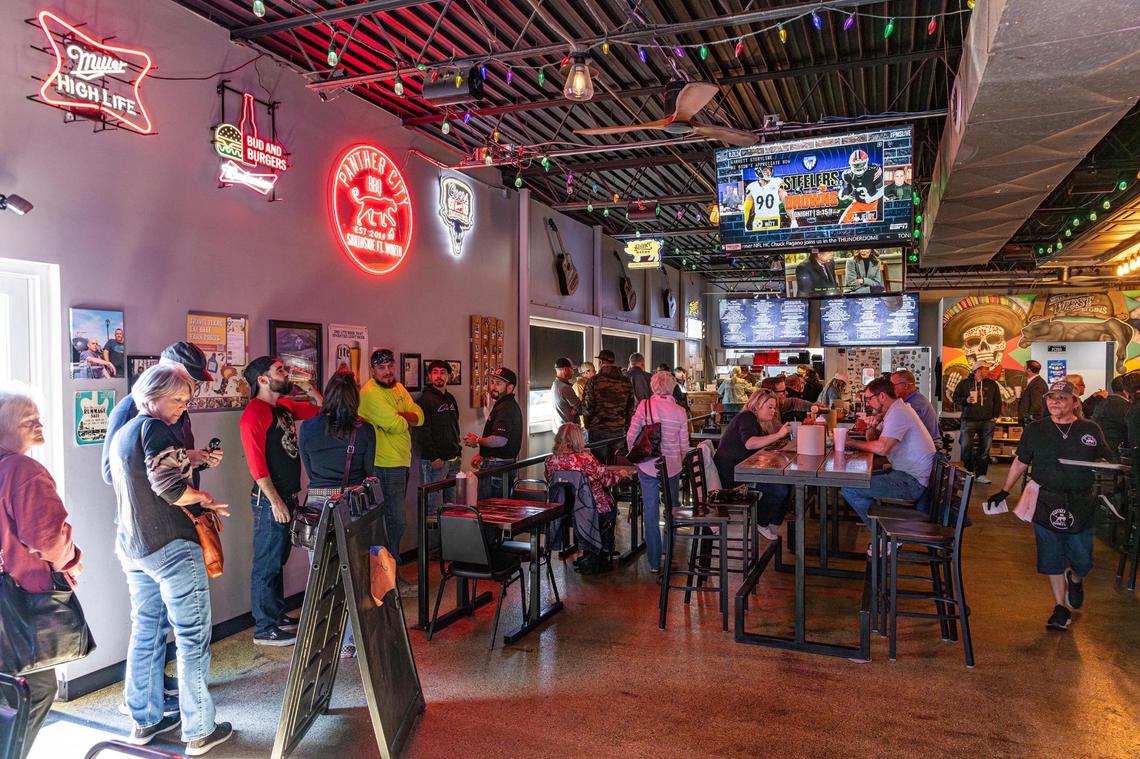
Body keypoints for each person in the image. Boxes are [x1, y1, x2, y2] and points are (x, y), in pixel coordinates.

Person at [109, 366, 233, 754]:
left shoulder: (126, 431)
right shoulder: (156, 428)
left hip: (134, 548)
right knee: (192, 636)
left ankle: (144, 720)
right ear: (152, 396)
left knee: (145, 632)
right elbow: (169, 487)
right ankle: (199, 731)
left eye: (186, 399)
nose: (183, 406)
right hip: (171, 548)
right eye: (177, 399)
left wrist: (193, 457)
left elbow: (153, 469)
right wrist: (203, 499)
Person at [985, 381, 1113, 631]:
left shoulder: (1090, 429)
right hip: (1046, 500)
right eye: (1051, 397)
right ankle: (1060, 608)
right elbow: (1021, 461)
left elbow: (1105, 456)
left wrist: (1109, 463)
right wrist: (1004, 490)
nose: (1055, 402)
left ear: (1075, 402)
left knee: (1082, 559)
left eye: (1062, 398)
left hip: (1081, 502)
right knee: (1051, 556)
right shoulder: (1036, 430)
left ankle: (1075, 579)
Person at [0, 385, 83, 759]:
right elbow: (48, 537)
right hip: (18, 603)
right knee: (32, 691)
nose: (39, 424)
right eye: (28, 419)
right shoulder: (22, 469)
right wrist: (71, 559)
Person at [239, 356, 322, 645]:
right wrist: (275, 501)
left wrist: (309, 386)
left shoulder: (282, 407)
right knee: (266, 564)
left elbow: (319, 409)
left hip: (288, 496)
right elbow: (256, 464)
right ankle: (264, 628)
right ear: (263, 380)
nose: (285, 374)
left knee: (278, 559)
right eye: (280, 371)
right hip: (268, 500)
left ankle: (276, 614)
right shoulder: (254, 413)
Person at [299, 370, 375, 658]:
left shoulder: (307, 428)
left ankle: (322, 639)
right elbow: (370, 474)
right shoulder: (364, 430)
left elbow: (309, 468)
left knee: (321, 576)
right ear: (355, 398)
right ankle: (351, 640)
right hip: (352, 505)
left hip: (317, 508)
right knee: (355, 575)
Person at [103, 342, 219, 488]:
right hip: (153, 508)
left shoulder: (178, 407)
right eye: (188, 378)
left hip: (185, 504)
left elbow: (179, 460)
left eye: (195, 381)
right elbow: (110, 473)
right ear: (164, 372)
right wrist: (182, 458)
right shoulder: (128, 409)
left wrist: (202, 459)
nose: (192, 385)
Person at [359, 347, 423, 597]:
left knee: (395, 522)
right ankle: (389, 580)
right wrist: (403, 418)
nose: (387, 371)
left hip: (400, 462)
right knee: (393, 521)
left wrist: (402, 416)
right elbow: (397, 424)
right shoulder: (370, 393)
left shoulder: (398, 388)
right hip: (383, 465)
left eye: (390, 366)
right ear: (372, 370)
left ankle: (389, 578)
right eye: (382, 367)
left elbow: (420, 416)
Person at [840, 378, 936, 530]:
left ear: (882, 396)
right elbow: (873, 439)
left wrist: (851, 443)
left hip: (912, 482)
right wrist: (872, 424)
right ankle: (886, 529)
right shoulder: (896, 410)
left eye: (869, 399)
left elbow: (882, 448)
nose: (868, 403)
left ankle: (884, 535)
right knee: (857, 478)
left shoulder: (899, 413)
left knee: (850, 489)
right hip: (908, 475)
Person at [626, 370, 689, 573]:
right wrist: (677, 460)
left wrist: (636, 456)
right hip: (671, 466)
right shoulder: (680, 412)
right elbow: (684, 446)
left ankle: (654, 561)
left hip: (647, 465)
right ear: (672, 387)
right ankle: (668, 554)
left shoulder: (644, 406)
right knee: (671, 509)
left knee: (651, 511)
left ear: (653, 387)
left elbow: (631, 436)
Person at [544, 423, 624, 574]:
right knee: (610, 506)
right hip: (591, 509)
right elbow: (607, 480)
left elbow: (551, 482)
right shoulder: (587, 459)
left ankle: (589, 553)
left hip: (565, 511)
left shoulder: (550, 461)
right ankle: (601, 553)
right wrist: (621, 474)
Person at [713, 388, 792, 540]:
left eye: (774, 407)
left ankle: (770, 525)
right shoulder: (747, 417)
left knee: (785, 484)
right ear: (756, 406)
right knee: (779, 489)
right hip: (732, 478)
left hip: (742, 471)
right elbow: (750, 443)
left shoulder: (757, 421)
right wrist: (779, 435)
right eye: (769, 407)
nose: (773, 411)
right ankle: (761, 523)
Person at [464, 367, 523, 500]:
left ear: (509, 387)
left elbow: (499, 440)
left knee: (487, 511)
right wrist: (482, 454)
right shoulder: (504, 405)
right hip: (500, 464)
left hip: (497, 467)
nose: (493, 387)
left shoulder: (506, 408)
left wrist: (477, 440)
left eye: (498, 383)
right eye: (492, 382)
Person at [414, 360, 462, 514]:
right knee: (433, 508)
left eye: (442, 372)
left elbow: (455, 425)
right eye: (435, 372)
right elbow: (421, 432)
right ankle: (433, 539)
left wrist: (458, 451)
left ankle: (448, 538)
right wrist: (434, 457)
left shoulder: (451, 399)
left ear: (448, 376)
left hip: (453, 460)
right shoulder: (425, 400)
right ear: (430, 376)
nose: (439, 376)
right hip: (435, 462)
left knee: (452, 506)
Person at [581, 349, 635, 464]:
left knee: (599, 467)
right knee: (618, 465)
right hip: (619, 431)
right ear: (613, 361)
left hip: (598, 431)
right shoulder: (626, 381)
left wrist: (587, 425)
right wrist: (626, 426)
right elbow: (630, 408)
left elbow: (587, 407)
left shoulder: (593, 381)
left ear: (600, 362)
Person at [952, 365, 1002, 484]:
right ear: (978, 370)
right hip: (968, 420)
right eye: (985, 369)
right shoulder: (964, 383)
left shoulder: (992, 384)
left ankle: (981, 474)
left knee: (985, 449)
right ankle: (969, 472)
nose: (988, 371)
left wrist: (995, 416)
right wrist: (966, 400)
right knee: (965, 447)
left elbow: (997, 401)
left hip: (988, 421)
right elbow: (955, 398)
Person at [890, 370, 939, 443]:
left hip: (929, 447)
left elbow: (898, 429)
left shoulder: (915, 404)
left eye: (893, 386)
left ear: (905, 386)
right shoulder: (913, 399)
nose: (891, 389)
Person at [1093, 373, 1137, 454]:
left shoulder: (1102, 403)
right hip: (1118, 453)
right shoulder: (1126, 407)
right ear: (1125, 389)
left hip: (1100, 451)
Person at [550, 357, 581, 432]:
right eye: (572, 369)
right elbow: (581, 408)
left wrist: (574, 409)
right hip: (568, 432)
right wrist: (576, 409)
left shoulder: (555, 384)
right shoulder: (565, 388)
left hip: (561, 429)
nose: (573, 372)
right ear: (565, 369)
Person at [1018, 359, 1048, 425]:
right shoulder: (1035, 382)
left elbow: (1037, 404)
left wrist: (1031, 419)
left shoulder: (1037, 384)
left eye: (1024, 368)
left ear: (1028, 370)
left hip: (1032, 420)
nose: (1023, 370)